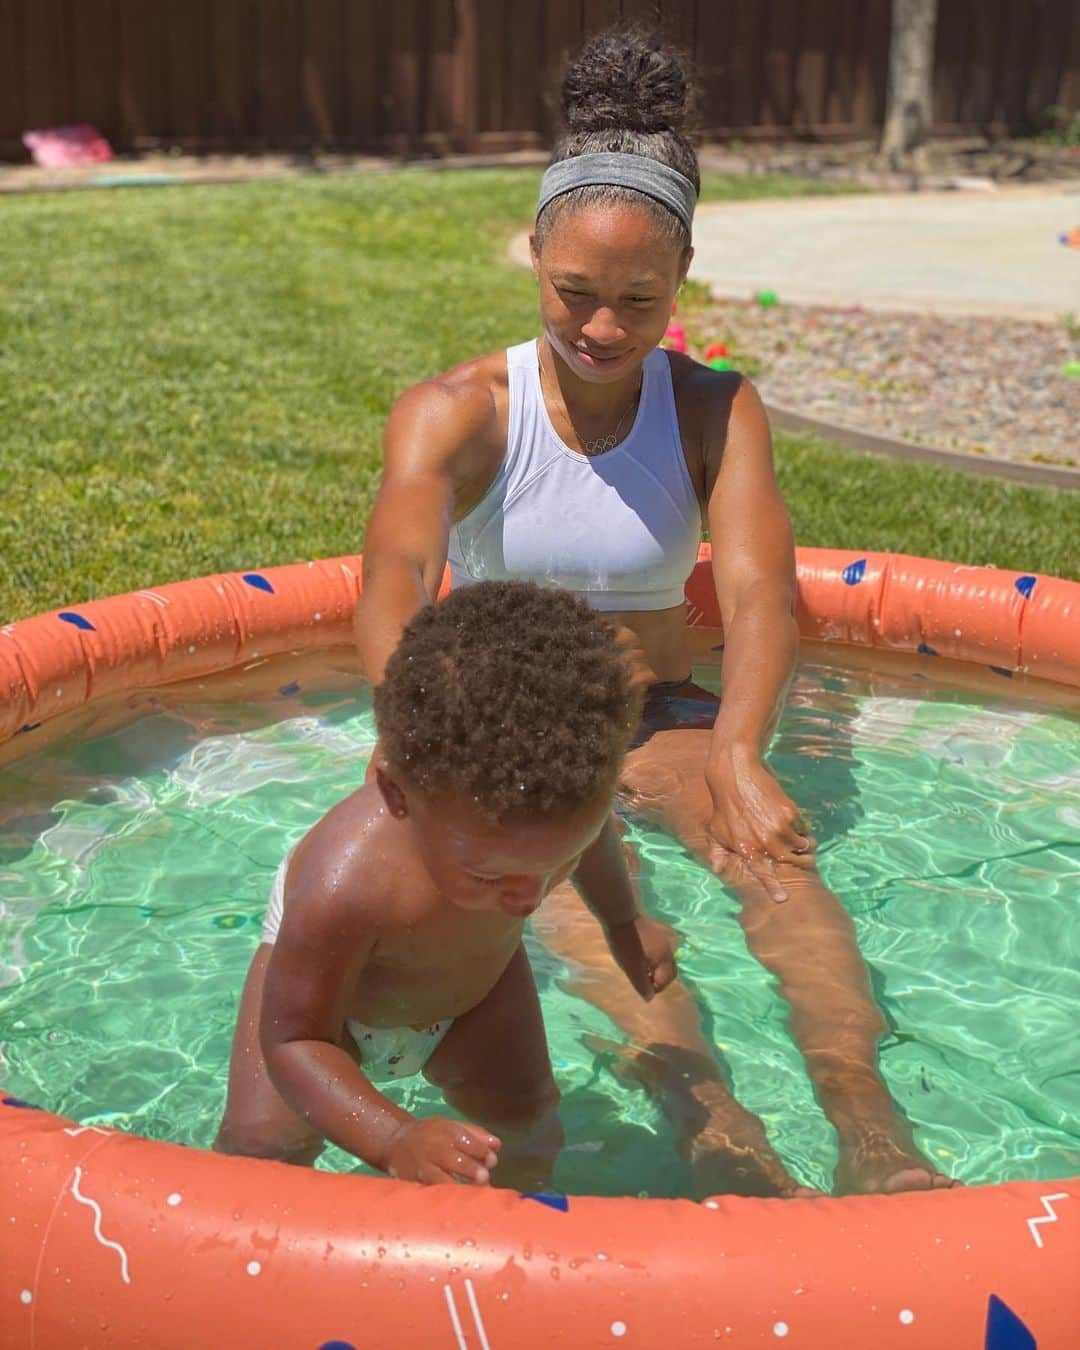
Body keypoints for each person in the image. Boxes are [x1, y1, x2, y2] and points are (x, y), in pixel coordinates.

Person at [354, 27, 955, 1196]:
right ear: (532, 252)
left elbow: (758, 590)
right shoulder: (456, 412)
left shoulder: (713, 409)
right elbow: (388, 589)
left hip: (668, 711)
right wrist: (421, 747)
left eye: (640, 300)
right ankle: (717, 1137)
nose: (602, 329)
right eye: (574, 293)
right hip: (513, 737)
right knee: (582, 920)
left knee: (777, 870)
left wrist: (739, 748)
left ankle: (874, 1131)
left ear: (683, 283)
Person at [215, 580, 678, 1188]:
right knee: (263, 1150)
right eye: (491, 875)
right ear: (397, 793)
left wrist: (624, 920)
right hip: (332, 1015)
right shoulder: (345, 885)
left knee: (530, 1125)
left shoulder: (542, 824)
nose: (529, 899)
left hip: (473, 993)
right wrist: (394, 1137)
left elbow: (594, 843)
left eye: (555, 865)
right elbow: (294, 1042)